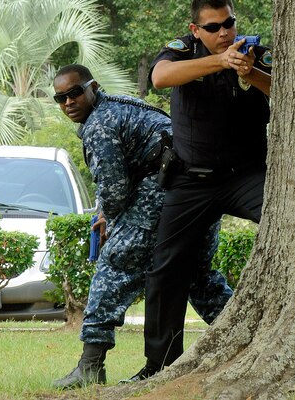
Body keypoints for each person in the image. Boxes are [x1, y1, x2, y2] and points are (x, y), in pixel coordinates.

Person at [50, 64, 233, 389]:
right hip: (207, 189)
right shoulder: (121, 107)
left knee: (115, 267)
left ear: (93, 86)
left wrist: (109, 218)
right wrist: (108, 211)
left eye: (75, 93)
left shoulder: (100, 123)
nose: (68, 103)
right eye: (60, 98)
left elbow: (115, 191)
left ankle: (91, 366)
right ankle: (248, 336)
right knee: (195, 276)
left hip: (167, 188)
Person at [128, 0, 272, 381]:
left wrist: (249, 72)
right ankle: (160, 367)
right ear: (196, 29)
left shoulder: (255, 52)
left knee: (291, 227)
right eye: (214, 27)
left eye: (230, 23)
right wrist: (218, 62)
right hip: (192, 180)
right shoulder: (182, 51)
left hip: (246, 176)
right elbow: (159, 77)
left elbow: (287, 92)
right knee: (167, 268)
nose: (225, 32)